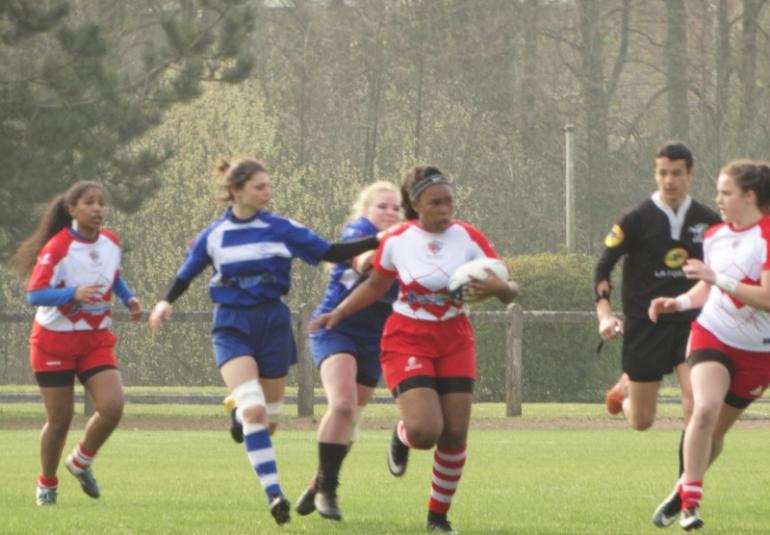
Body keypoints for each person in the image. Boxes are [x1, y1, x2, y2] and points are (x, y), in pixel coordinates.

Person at [148, 158, 383, 525]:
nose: (267, 192)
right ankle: (274, 494)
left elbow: (331, 252)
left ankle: (236, 408)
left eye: (269, 186)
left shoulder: (281, 228)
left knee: (269, 421)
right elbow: (185, 275)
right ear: (236, 190)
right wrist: (164, 303)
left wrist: (381, 239)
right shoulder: (214, 235)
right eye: (260, 186)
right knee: (256, 411)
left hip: (273, 324)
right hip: (231, 325)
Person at [310, 165, 519, 534]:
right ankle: (403, 434)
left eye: (449, 201)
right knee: (426, 432)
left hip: (455, 338)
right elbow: (375, 286)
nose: (444, 209)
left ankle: (438, 517)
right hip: (407, 337)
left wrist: (502, 290)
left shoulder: (469, 237)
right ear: (416, 203)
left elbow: (507, 285)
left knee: (455, 434)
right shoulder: (399, 239)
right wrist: (338, 313)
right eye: (435, 202)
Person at [592, 142, 720, 526]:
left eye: (677, 172)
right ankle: (624, 391)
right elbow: (602, 268)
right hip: (644, 327)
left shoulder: (708, 220)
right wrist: (604, 315)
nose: (669, 180)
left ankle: (686, 494)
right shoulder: (635, 219)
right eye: (663, 172)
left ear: (690, 174)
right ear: (655, 173)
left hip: (691, 323)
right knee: (642, 421)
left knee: (695, 406)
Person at [649, 160, 770, 530]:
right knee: (704, 410)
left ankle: (682, 487)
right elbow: (706, 287)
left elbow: (766, 297)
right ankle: (691, 505)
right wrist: (679, 303)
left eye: (726, 192)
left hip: (758, 352)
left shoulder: (766, 236)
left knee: (716, 432)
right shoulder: (715, 235)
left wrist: (717, 278)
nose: (717, 199)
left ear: (749, 196)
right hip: (711, 334)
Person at [10, 181, 143, 506]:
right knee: (60, 421)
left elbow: (113, 277)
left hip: (94, 340)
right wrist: (73, 293)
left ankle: (81, 460)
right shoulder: (58, 247)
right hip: (53, 343)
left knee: (112, 407)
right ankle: (47, 484)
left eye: (102, 203)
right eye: (90, 203)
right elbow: (35, 294)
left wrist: (129, 299)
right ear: (72, 210)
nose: (98, 208)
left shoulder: (111, 241)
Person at [294, 181, 402, 521]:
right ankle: (329, 492)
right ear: (366, 211)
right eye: (382, 206)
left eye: (396, 208)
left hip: (375, 340)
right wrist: (387, 243)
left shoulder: (408, 242)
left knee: (350, 420)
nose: (389, 213)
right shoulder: (362, 231)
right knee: (342, 405)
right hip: (334, 328)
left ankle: (317, 484)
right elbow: (364, 263)